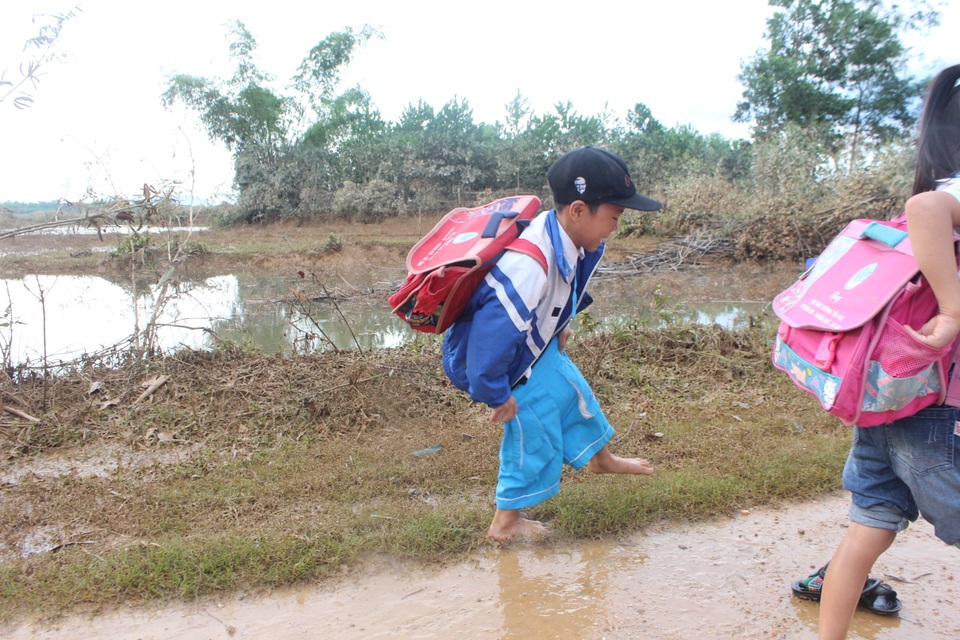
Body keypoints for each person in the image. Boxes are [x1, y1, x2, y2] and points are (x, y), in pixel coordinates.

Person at [441, 146, 660, 541]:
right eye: (614, 217)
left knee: (570, 387)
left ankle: (599, 457)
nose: (615, 227)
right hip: (496, 363)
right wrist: (496, 393)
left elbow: (562, 288)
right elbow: (490, 338)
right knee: (534, 426)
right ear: (579, 211)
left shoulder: (568, 237)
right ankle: (505, 525)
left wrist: (560, 322)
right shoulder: (530, 263)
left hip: (528, 345)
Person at [813, 64, 960, 639]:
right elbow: (924, 206)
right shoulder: (943, 201)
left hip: (885, 404)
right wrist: (951, 310)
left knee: (865, 532)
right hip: (936, 413)